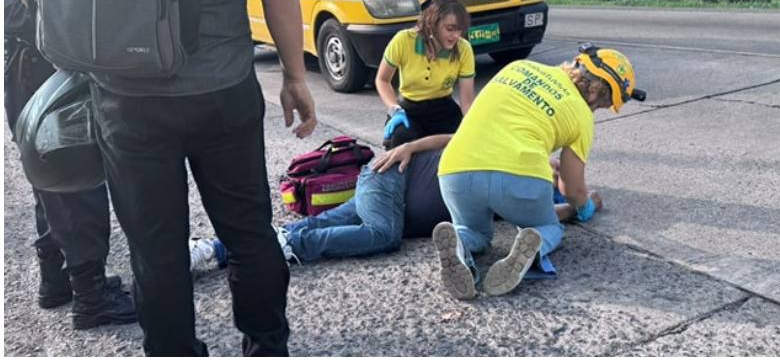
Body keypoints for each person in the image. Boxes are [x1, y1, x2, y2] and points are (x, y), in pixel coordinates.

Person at [8, 0, 317, 356]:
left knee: (155, 249)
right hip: (222, 87)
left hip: (125, 96)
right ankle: (267, 346)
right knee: (249, 233)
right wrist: (295, 76)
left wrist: (81, 43)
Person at [188, 136, 603, 269]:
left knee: (325, 224)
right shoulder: (499, 159)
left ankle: (214, 249)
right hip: (389, 182)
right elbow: (454, 137)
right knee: (381, 236)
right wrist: (408, 145)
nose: (551, 179)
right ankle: (290, 249)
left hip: (390, 202)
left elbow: (553, 215)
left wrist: (585, 204)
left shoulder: (515, 196)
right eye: (552, 172)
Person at [4, 0, 135, 329]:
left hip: (27, 70)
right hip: (49, 66)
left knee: (50, 181)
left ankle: (57, 279)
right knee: (77, 182)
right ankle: (90, 296)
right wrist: (64, 43)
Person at [435, 43, 644, 300]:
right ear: (595, 94)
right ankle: (532, 246)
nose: (597, 109)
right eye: (602, 103)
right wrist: (587, 207)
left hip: (456, 169)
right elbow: (572, 189)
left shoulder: (518, 67)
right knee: (548, 227)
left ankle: (458, 243)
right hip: (519, 178)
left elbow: (501, 126)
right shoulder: (581, 115)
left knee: (474, 231)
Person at [375, 0, 475, 149]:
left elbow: (466, 102)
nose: (456, 36)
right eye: (450, 29)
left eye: (459, 30)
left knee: (464, 142)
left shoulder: (463, 48)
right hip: (409, 109)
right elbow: (382, 80)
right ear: (432, 24)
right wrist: (394, 109)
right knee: (400, 138)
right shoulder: (403, 40)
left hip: (443, 109)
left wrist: (473, 125)